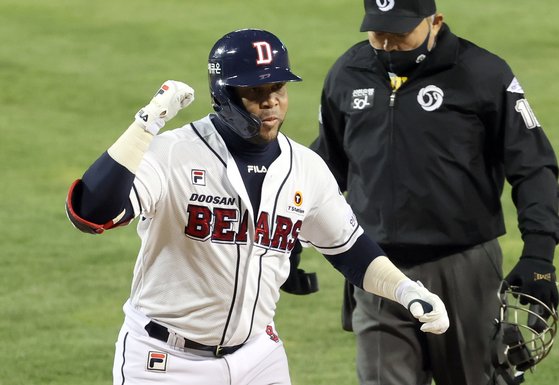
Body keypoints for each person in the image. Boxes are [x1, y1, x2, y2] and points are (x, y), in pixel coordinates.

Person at [64, 28, 449, 385]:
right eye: (255, 91)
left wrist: (406, 290)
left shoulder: (305, 167)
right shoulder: (172, 155)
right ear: (223, 95)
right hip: (166, 361)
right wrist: (145, 125)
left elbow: (352, 249)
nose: (271, 102)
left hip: (259, 358)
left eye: (278, 87)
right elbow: (92, 214)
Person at [311, 1, 559, 384]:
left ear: (435, 22)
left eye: (400, 34)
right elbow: (324, 169)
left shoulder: (481, 73)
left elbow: (533, 166)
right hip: (377, 267)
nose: (389, 45)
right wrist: (288, 237)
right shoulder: (348, 73)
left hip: (464, 266)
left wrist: (540, 254)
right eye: (379, 34)